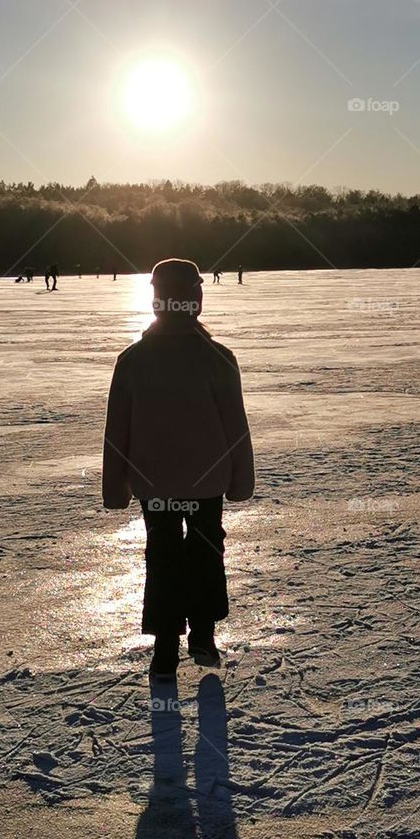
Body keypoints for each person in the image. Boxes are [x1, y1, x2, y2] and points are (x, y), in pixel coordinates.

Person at [102, 258, 254, 680]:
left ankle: (165, 648)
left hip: (155, 484)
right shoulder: (217, 358)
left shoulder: (132, 360)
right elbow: (236, 428)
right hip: (206, 483)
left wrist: (115, 487)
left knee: (163, 554)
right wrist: (241, 481)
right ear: (195, 300)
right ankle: (202, 634)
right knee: (205, 550)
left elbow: (116, 432)